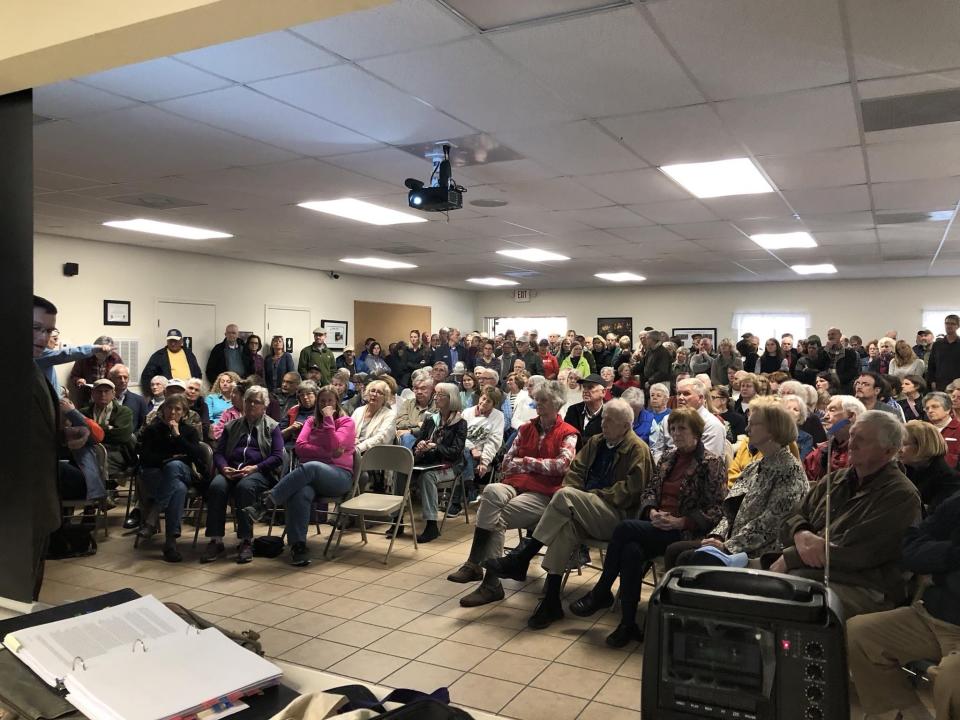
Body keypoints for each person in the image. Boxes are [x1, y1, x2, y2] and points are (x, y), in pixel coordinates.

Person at [485, 399, 653, 632]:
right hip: (584, 509)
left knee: (565, 497)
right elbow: (574, 473)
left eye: (610, 421)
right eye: (603, 418)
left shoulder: (638, 450)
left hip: (617, 516)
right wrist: (581, 496)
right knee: (565, 527)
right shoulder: (596, 442)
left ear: (626, 425)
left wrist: (589, 496)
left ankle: (523, 557)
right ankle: (551, 600)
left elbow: (631, 492)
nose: (603, 424)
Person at [567, 405, 724, 646]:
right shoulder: (668, 458)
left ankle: (601, 591)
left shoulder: (710, 463)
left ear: (696, 431)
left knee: (624, 529)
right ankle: (627, 625)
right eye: (672, 428)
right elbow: (649, 491)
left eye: (682, 428)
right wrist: (651, 512)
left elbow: (715, 508)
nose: (676, 433)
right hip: (655, 526)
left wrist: (680, 520)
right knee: (630, 551)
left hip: (684, 531)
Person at [769, 411, 921, 618]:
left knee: (787, 594)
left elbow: (860, 555)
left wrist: (792, 558)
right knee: (742, 579)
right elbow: (791, 517)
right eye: (852, 436)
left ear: (888, 451)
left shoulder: (901, 495)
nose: (851, 444)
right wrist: (801, 533)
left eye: (862, 440)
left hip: (867, 585)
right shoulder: (835, 480)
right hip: (817, 569)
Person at [450, 381, 579, 606]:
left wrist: (527, 462)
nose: (537, 403)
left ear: (556, 404)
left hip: (543, 493)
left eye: (543, 400)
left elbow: (562, 466)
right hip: (515, 484)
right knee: (491, 491)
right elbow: (507, 462)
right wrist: (531, 464)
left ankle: (485, 578)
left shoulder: (568, 433)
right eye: (537, 399)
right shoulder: (526, 428)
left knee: (494, 518)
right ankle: (479, 570)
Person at [846, 490, 960, 720]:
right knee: (859, 633)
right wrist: (952, 556)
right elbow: (910, 546)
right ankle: (912, 715)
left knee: (953, 677)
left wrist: (938, 576)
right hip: (931, 615)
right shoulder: (957, 503)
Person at [665, 402, 807, 569]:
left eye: (753, 424)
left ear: (773, 429)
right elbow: (729, 511)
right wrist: (717, 536)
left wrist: (728, 545)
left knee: (689, 560)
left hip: (761, 552)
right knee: (675, 551)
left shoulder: (789, 471)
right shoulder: (755, 466)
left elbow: (771, 524)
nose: (747, 429)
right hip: (734, 541)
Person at [244, 385, 356, 567]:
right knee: (301, 492)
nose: (325, 404)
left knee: (311, 466)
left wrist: (328, 420)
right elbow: (300, 448)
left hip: (339, 476)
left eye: (329, 401)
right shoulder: (311, 422)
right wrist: (328, 453)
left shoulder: (346, 422)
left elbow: (335, 444)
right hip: (310, 476)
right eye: (322, 401)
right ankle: (298, 546)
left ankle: (267, 502)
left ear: (336, 402)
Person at [201, 385, 283, 565]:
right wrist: (223, 468)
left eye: (257, 402)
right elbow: (219, 453)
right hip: (232, 470)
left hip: (259, 472)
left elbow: (277, 457)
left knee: (245, 488)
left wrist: (255, 467)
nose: (252, 405)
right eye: (249, 401)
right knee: (216, 486)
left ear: (264, 406)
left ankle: (245, 540)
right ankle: (215, 539)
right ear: (243, 403)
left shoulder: (272, 427)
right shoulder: (232, 425)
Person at [137, 394, 207, 562]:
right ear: (163, 410)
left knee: (174, 467)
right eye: (169, 408)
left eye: (178, 409)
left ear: (184, 413)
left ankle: (153, 515)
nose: (173, 412)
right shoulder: (152, 430)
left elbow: (197, 456)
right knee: (178, 488)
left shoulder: (189, 431)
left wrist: (177, 436)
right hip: (157, 476)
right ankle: (170, 543)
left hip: (184, 472)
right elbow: (145, 457)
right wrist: (170, 458)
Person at [30, 296, 65, 598]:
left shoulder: (33, 369)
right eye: (35, 328)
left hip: (37, 502)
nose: (44, 337)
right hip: (15, 507)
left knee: (27, 593)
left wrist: (65, 437)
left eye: (49, 330)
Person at [410, 383, 468, 543]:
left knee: (427, 477)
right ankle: (397, 519)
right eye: (436, 394)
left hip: (451, 465)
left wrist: (436, 446)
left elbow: (455, 452)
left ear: (451, 399)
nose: (436, 397)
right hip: (428, 461)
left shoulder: (460, 423)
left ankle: (431, 525)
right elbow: (417, 443)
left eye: (440, 395)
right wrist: (420, 446)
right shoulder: (431, 420)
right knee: (401, 473)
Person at [651, 378, 725, 463]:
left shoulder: (712, 424)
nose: (681, 398)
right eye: (679, 394)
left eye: (686, 394)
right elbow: (657, 451)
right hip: (668, 469)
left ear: (700, 398)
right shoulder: (667, 420)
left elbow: (710, 461)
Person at [900, 419, 960, 514]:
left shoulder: (949, 481)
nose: (899, 450)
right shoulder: (904, 471)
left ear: (923, 446)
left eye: (904, 444)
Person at [804, 394, 865, 484]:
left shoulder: (867, 452)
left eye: (832, 410)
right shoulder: (820, 452)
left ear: (851, 416)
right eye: (826, 411)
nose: (825, 416)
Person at [82, 378, 136, 475]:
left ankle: (103, 489)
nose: (103, 394)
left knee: (100, 469)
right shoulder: (83, 412)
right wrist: (108, 428)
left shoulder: (124, 411)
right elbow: (80, 434)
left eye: (106, 391)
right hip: (88, 451)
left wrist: (92, 430)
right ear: (93, 393)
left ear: (113, 394)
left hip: (115, 452)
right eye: (99, 391)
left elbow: (122, 436)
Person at [68, 335, 123, 403]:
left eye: (106, 353)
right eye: (101, 351)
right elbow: (74, 376)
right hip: (88, 396)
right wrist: (78, 380)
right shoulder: (84, 358)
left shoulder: (115, 358)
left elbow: (121, 375)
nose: (103, 354)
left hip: (109, 396)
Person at [351, 379, 397, 455]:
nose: (374, 394)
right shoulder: (358, 411)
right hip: (353, 451)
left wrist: (358, 448)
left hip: (375, 456)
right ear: (367, 393)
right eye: (372, 391)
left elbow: (381, 438)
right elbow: (348, 430)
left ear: (385, 397)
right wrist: (353, 440)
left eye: (379, 392)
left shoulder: (390, 415)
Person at [564, 373, 606, 451]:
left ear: (603, 392)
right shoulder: (573, 410)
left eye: (590, 387)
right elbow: (566, 437)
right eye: (584, 387)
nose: (585, 391)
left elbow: (606, 442)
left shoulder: (610, 413)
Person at [395, 372, 434, 450]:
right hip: (408, 439)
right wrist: (417, 423)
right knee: (406, 437)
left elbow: (432, 429)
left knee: (406, 436)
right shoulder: (408, 403)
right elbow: (399, 423)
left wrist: (411, 431)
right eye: (416, 388)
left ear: (432, 389)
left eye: (423, 388)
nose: (419, 392)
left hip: (429, 440)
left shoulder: (437, 404)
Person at [922, 391, 960, 468]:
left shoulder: (958, 429)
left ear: (948, 409)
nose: (930, 411)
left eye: (934, 406)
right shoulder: (924, 431)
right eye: (927, 408)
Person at [108, 364, 148, 432]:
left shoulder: (139, 400)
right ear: (111, 379)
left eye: (125, 377)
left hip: (131, 440)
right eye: (119, 377)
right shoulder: (104, 399)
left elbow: (143, 425)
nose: (123, 380)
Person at [281, 381, 318, 450]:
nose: (305, 397)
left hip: (312, 448)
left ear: (316, 395)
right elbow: (278, 436)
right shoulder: (293, 410)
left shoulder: (321, 412)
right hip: (290, 447)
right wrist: (290, 429)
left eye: (309, 394)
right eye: (302, 395)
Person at [927, 314, 960, 391]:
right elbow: (931, 365)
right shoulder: (937, 344)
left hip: (957, 385)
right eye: (947, 323)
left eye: (953, 324)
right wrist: (932, 381)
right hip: (940, 384)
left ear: (958, 326)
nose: (949, 326)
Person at [781, 394, 815, 459]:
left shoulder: (806, 438)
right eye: (787, 408)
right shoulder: (771, 433)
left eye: (796, 409)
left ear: (800, 416)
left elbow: (801, 463)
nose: (791, 411)